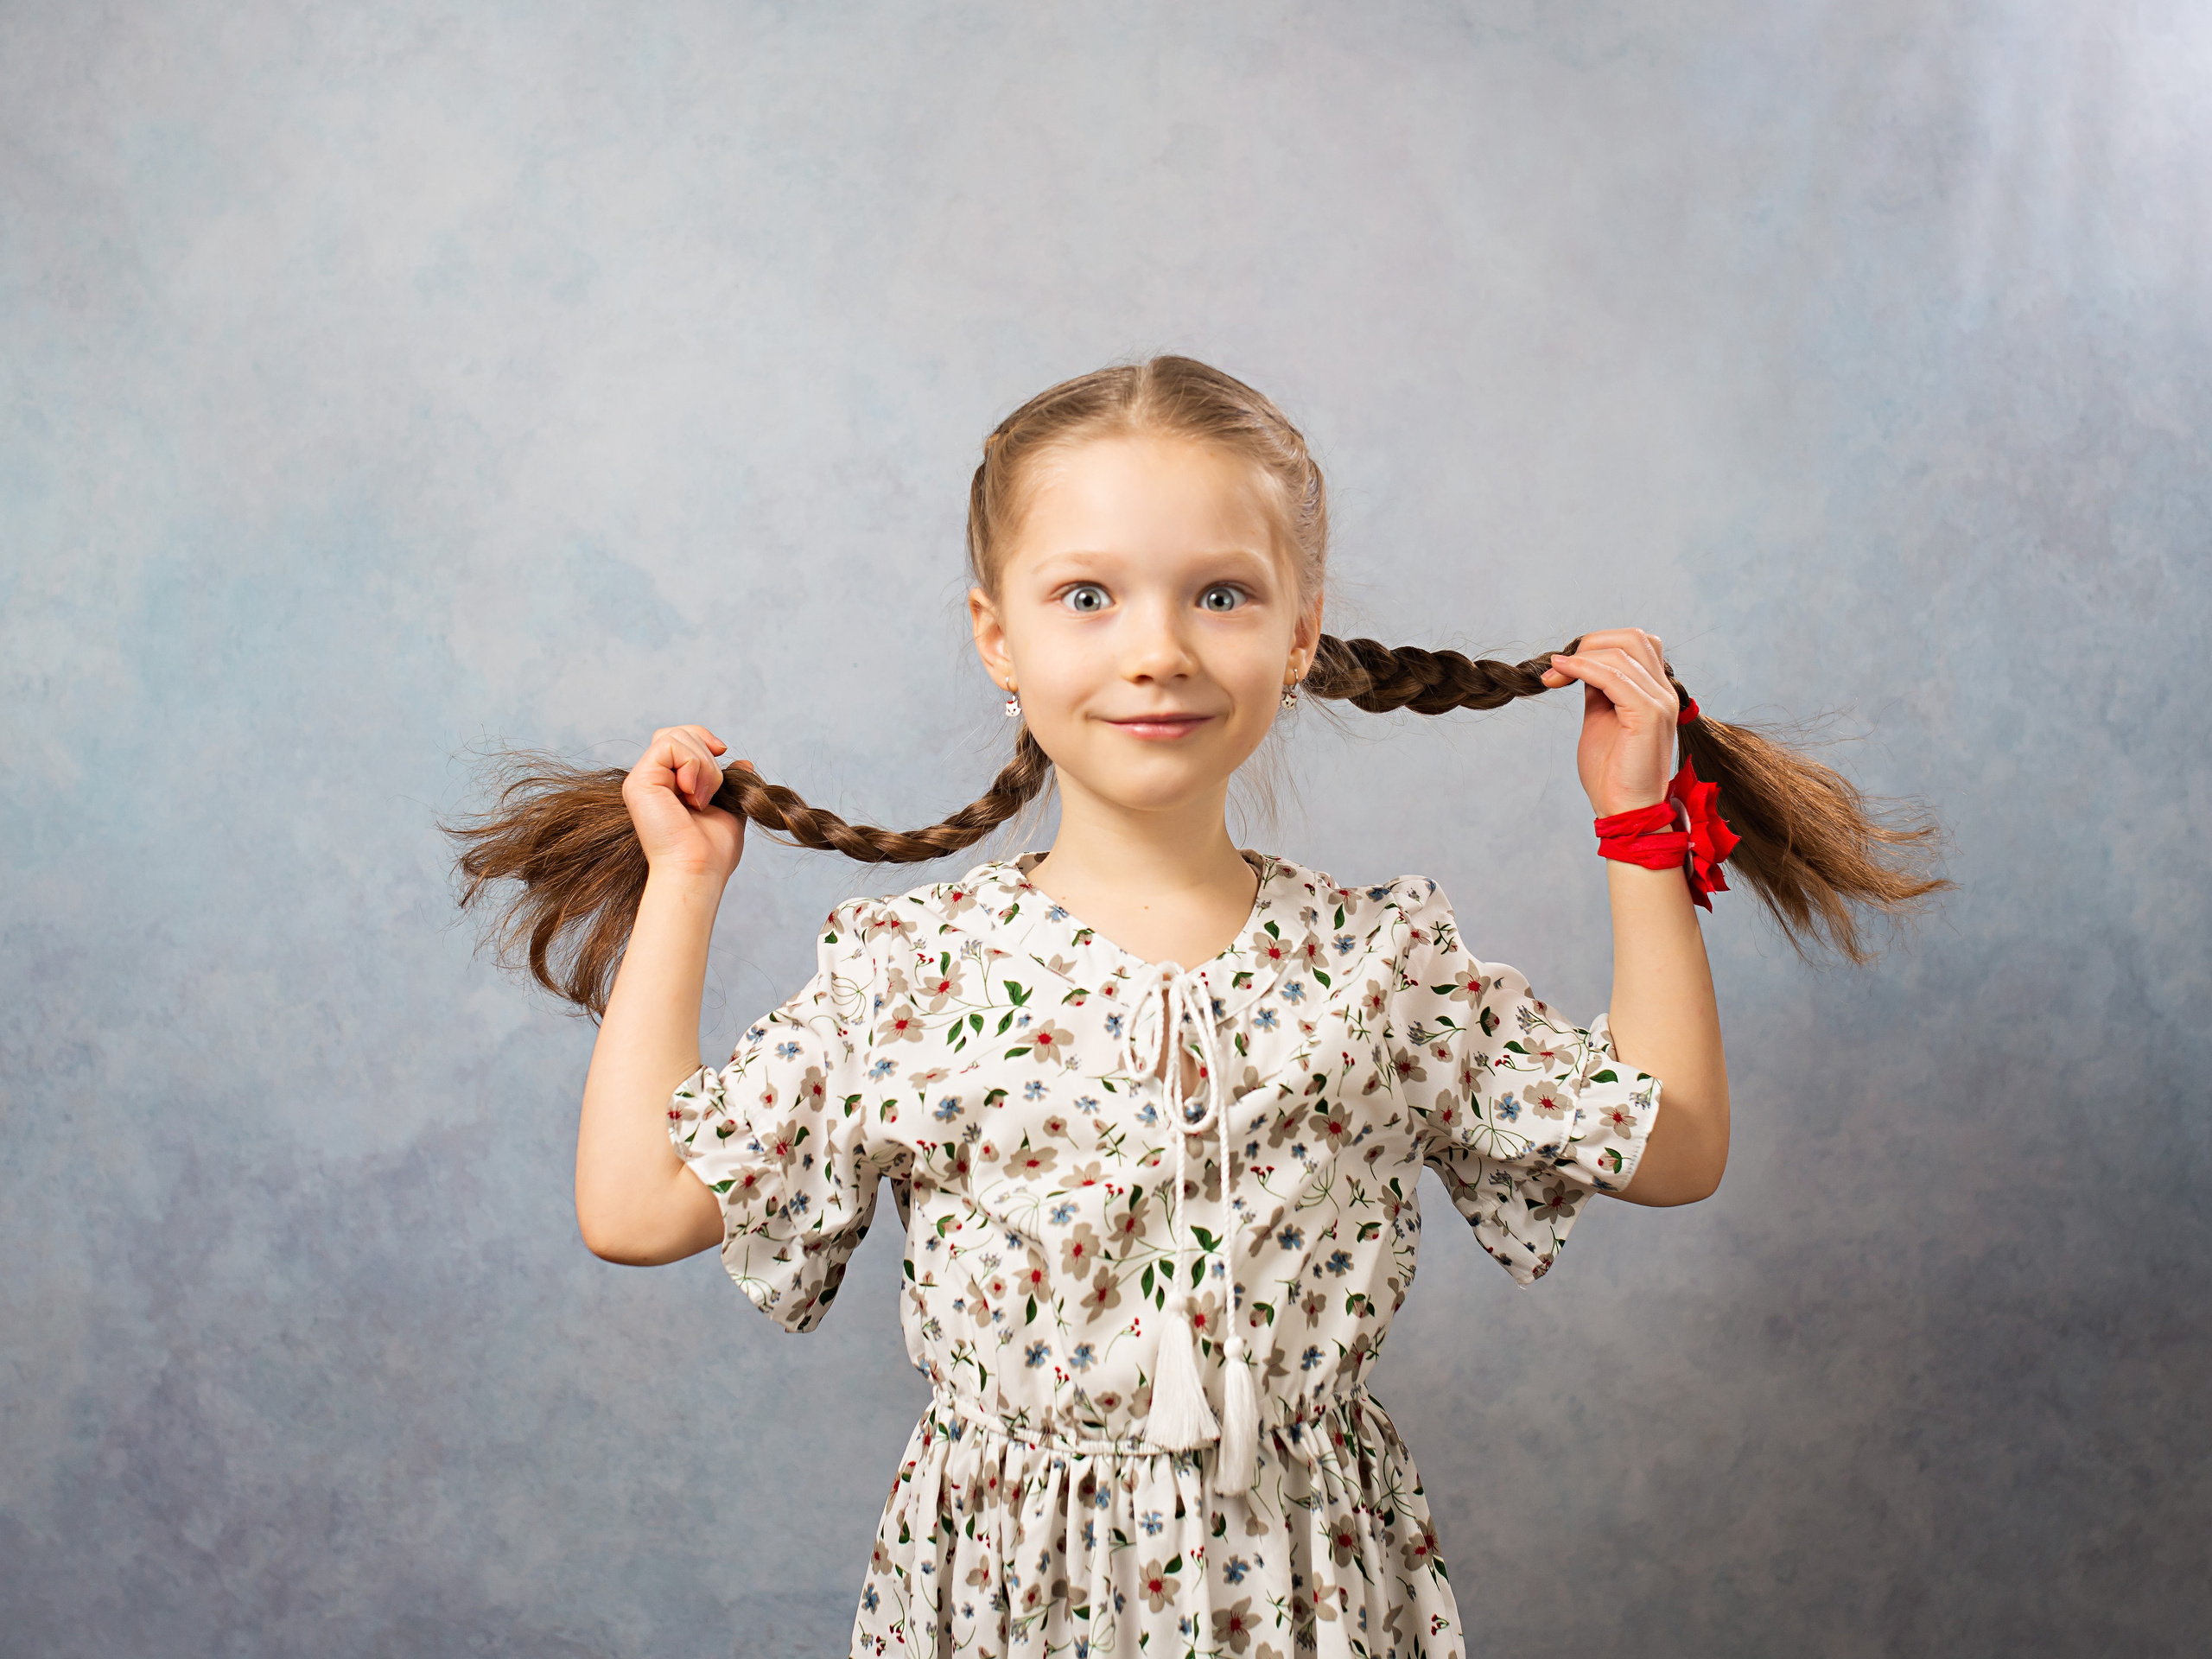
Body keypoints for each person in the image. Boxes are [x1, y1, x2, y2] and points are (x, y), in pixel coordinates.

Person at [445, 355, 1942, 1658]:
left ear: (1297, 639)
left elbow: (1668, 1148)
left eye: (1219, 594)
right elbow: (636, 1207)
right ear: (998, 636)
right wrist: (684, 886)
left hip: (1310, 1591)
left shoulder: (1377, 970)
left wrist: (1634, 827)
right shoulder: (917, 974)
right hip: (1002, 1601)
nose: (1155, 646)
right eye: (1086, 596)